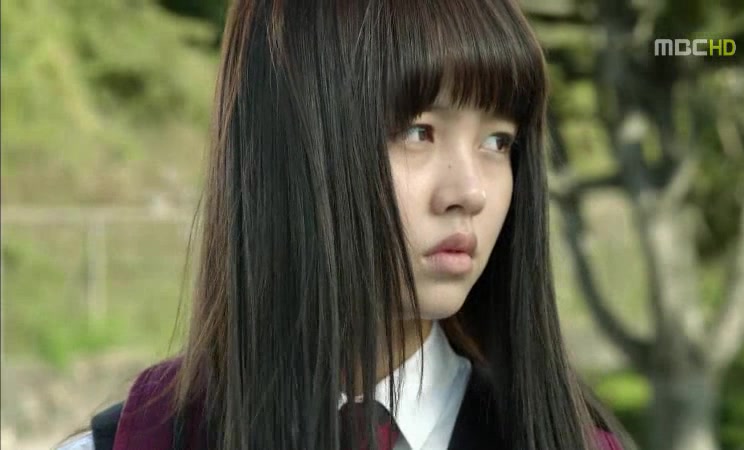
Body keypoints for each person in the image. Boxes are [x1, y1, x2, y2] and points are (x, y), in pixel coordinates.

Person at [59, 0, 632, 448]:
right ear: (288, 144)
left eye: (497, 141)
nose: (469, 192)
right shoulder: (141, 440)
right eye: (419, 132)